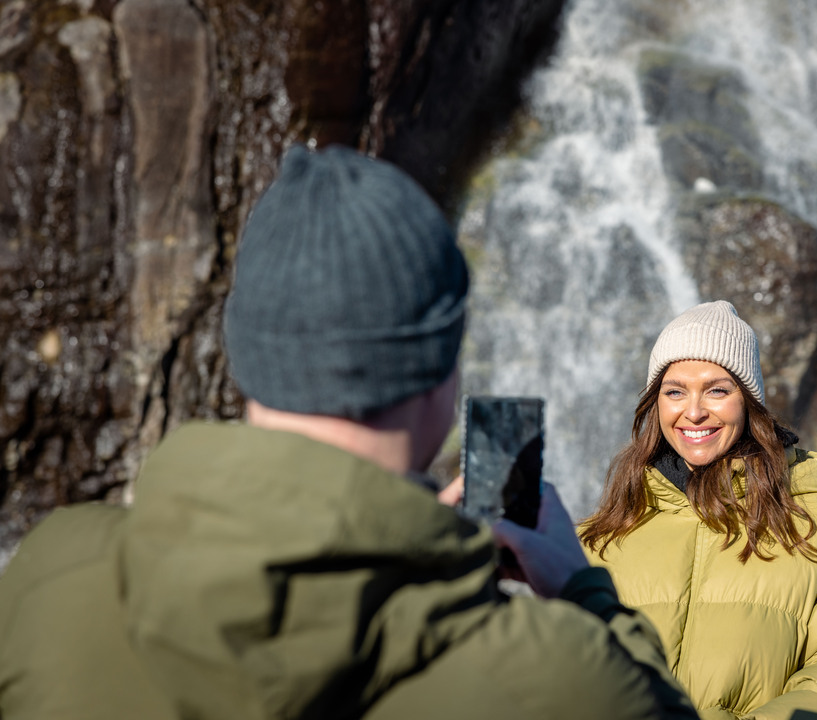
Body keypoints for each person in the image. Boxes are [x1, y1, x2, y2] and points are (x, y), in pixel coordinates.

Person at [0, 145, 700, 720]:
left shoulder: (53, 579)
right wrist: (582, 588)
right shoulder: (558, 683)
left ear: (246, 356)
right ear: (439, 374)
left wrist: (396, 532)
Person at [579, 301, 817, 720]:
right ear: (655, 404)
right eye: (675, 391)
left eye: (717, 390)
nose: (695, 411)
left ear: (748, 402)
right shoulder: (602, 534)